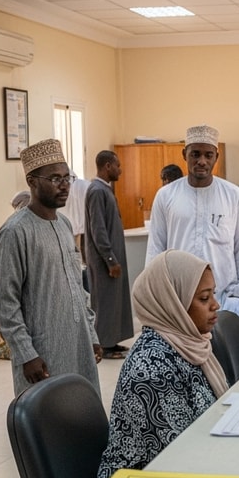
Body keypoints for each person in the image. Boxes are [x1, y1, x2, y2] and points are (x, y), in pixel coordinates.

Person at [95, 250, 228, 478]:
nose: (215, 305)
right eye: (204, 298)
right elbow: (181, 457)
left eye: (213, 294)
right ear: (173, 304)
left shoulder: (190, 344)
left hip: (181, 476)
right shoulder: (151, 368)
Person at [0, 138, 102, 398]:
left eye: (68, 178)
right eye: (55, 179)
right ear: (32, 182)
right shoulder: (15, 232)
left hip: (78, 342)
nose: (64, 185)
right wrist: (26, 354)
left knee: (82, 413)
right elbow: (6, 302)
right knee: (50, 420)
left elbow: (78, 288)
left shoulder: (65, 225)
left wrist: (92, 334)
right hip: (43, 349)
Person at [146, 125, 239, 318]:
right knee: (180, 346)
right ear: (184, 154)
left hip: (222, 295)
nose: (201, 161)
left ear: (216, 157)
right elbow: (156, 247)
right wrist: (155, 292)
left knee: (221, 347)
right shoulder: (166, 195)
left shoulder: (233, 195)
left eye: (208, 155)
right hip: (178, 294)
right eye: (195, 154)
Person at [86, 150, 133, 359]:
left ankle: (111, 341)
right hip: (104, 261)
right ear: (107, 166)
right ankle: (103, 345)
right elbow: (98, 230)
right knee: (104, 302)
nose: (120, 170)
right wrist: (110, 259)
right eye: (118, 165)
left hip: (111, 258)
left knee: (114, 301)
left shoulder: (104, 189)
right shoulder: (96, 191)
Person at [0, 190, 31, 360]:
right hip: (1, 281)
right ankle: (5, 349)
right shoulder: (11, 229)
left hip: (11, 279)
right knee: (4, 315)